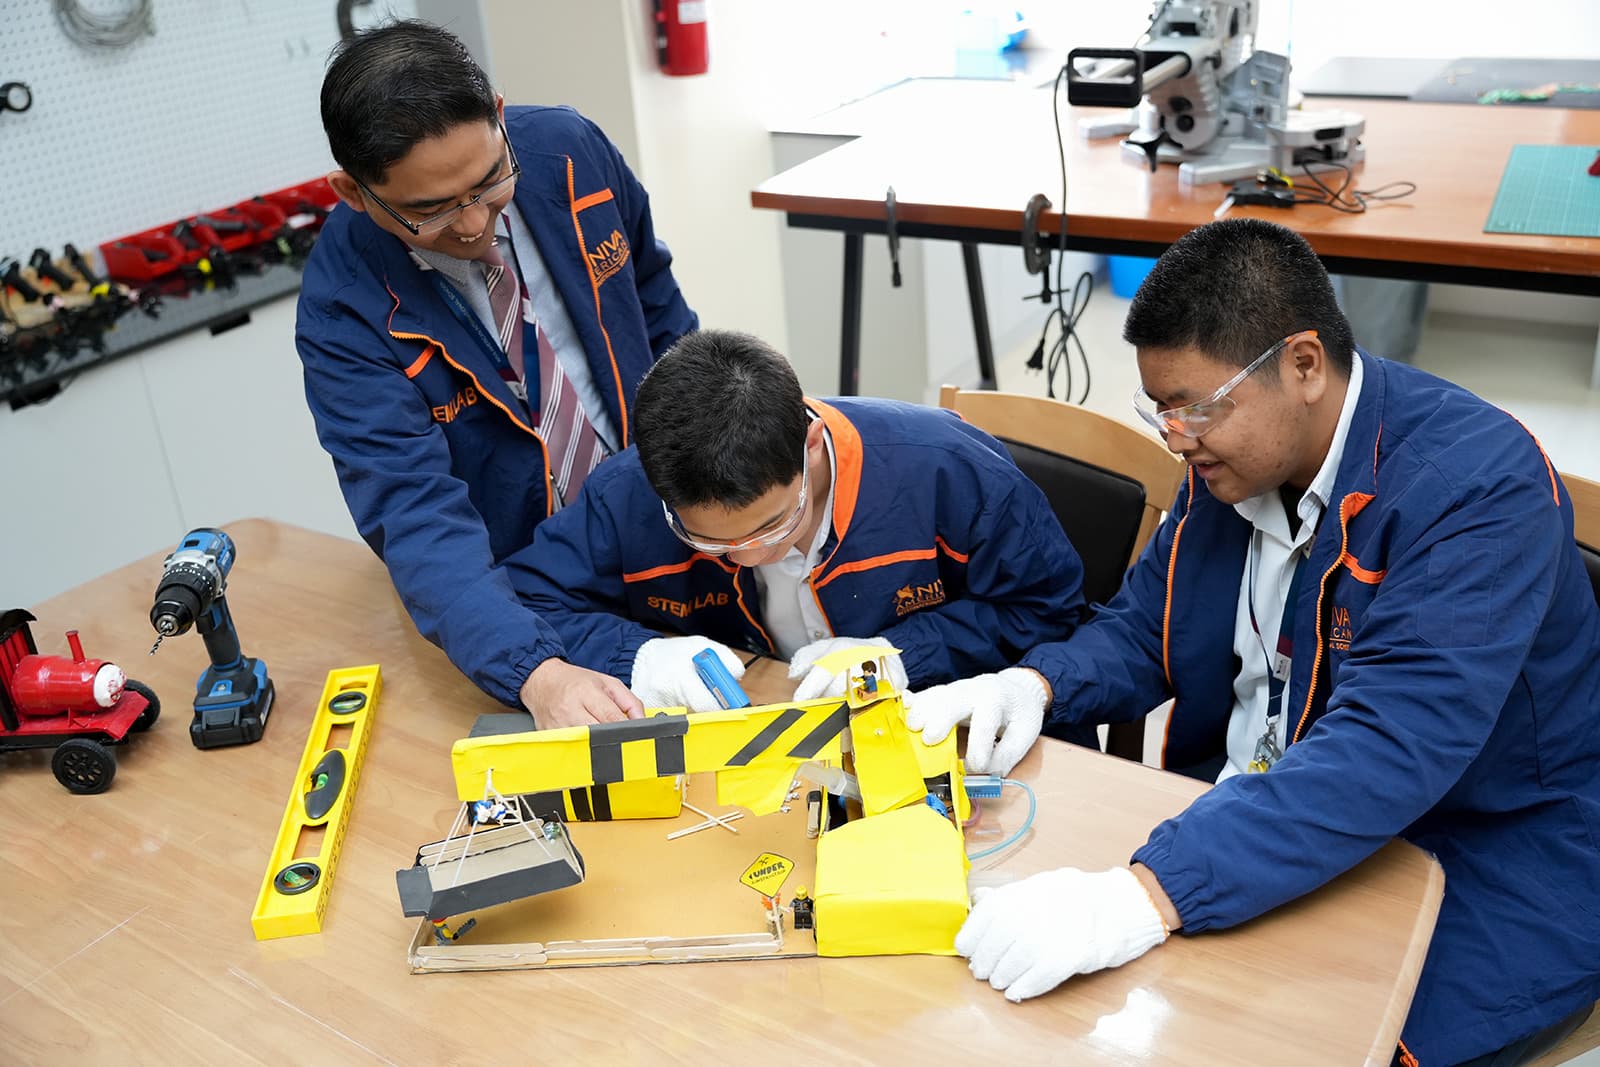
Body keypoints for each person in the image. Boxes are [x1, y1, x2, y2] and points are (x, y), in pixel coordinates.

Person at [908, 219, 1600, 1065]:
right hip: (1243, 826)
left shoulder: (1476, 490)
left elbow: (1387, 751)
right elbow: (1141, 628)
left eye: (1195, 406)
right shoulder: (1237, 462)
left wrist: (1148, 894)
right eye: (1159, 409)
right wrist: (1031, 685)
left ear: (1304, 365)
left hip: (1474, 854)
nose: (1174, 436)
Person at [295, 20, 697, 729]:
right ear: (353, 193)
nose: (476, 222)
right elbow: (414, 516)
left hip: (671, 523)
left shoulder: (572, 154)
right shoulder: (343, 309)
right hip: (533, 592)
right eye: (432, 209)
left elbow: (664, 323)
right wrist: (535, 673)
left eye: (489, 182)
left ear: (502, 118)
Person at [506, 329, 1088, 769]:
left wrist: (904, 654)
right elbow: (523, 599)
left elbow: (1050, 612)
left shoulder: (951, 471)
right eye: (708, 540)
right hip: (758, 758)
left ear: (811, 446)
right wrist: (636, 656)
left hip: (945, 750)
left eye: (771, 528)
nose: (746, 560)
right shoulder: (628, 492)